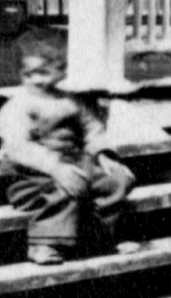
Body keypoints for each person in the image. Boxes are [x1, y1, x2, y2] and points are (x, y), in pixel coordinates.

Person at [0, 26, 134, 264]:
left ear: (61, 70)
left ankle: (101, 237)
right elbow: (17, 147)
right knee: (66, 189)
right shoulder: (18, 105)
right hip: (30, 173)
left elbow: (92, 129)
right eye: (27, 74)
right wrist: (54, 167)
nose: (34, 80)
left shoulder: (70, 101)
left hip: (73, 160)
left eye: (43, 72)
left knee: (117, 180)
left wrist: (103, 154)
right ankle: (43, 244)